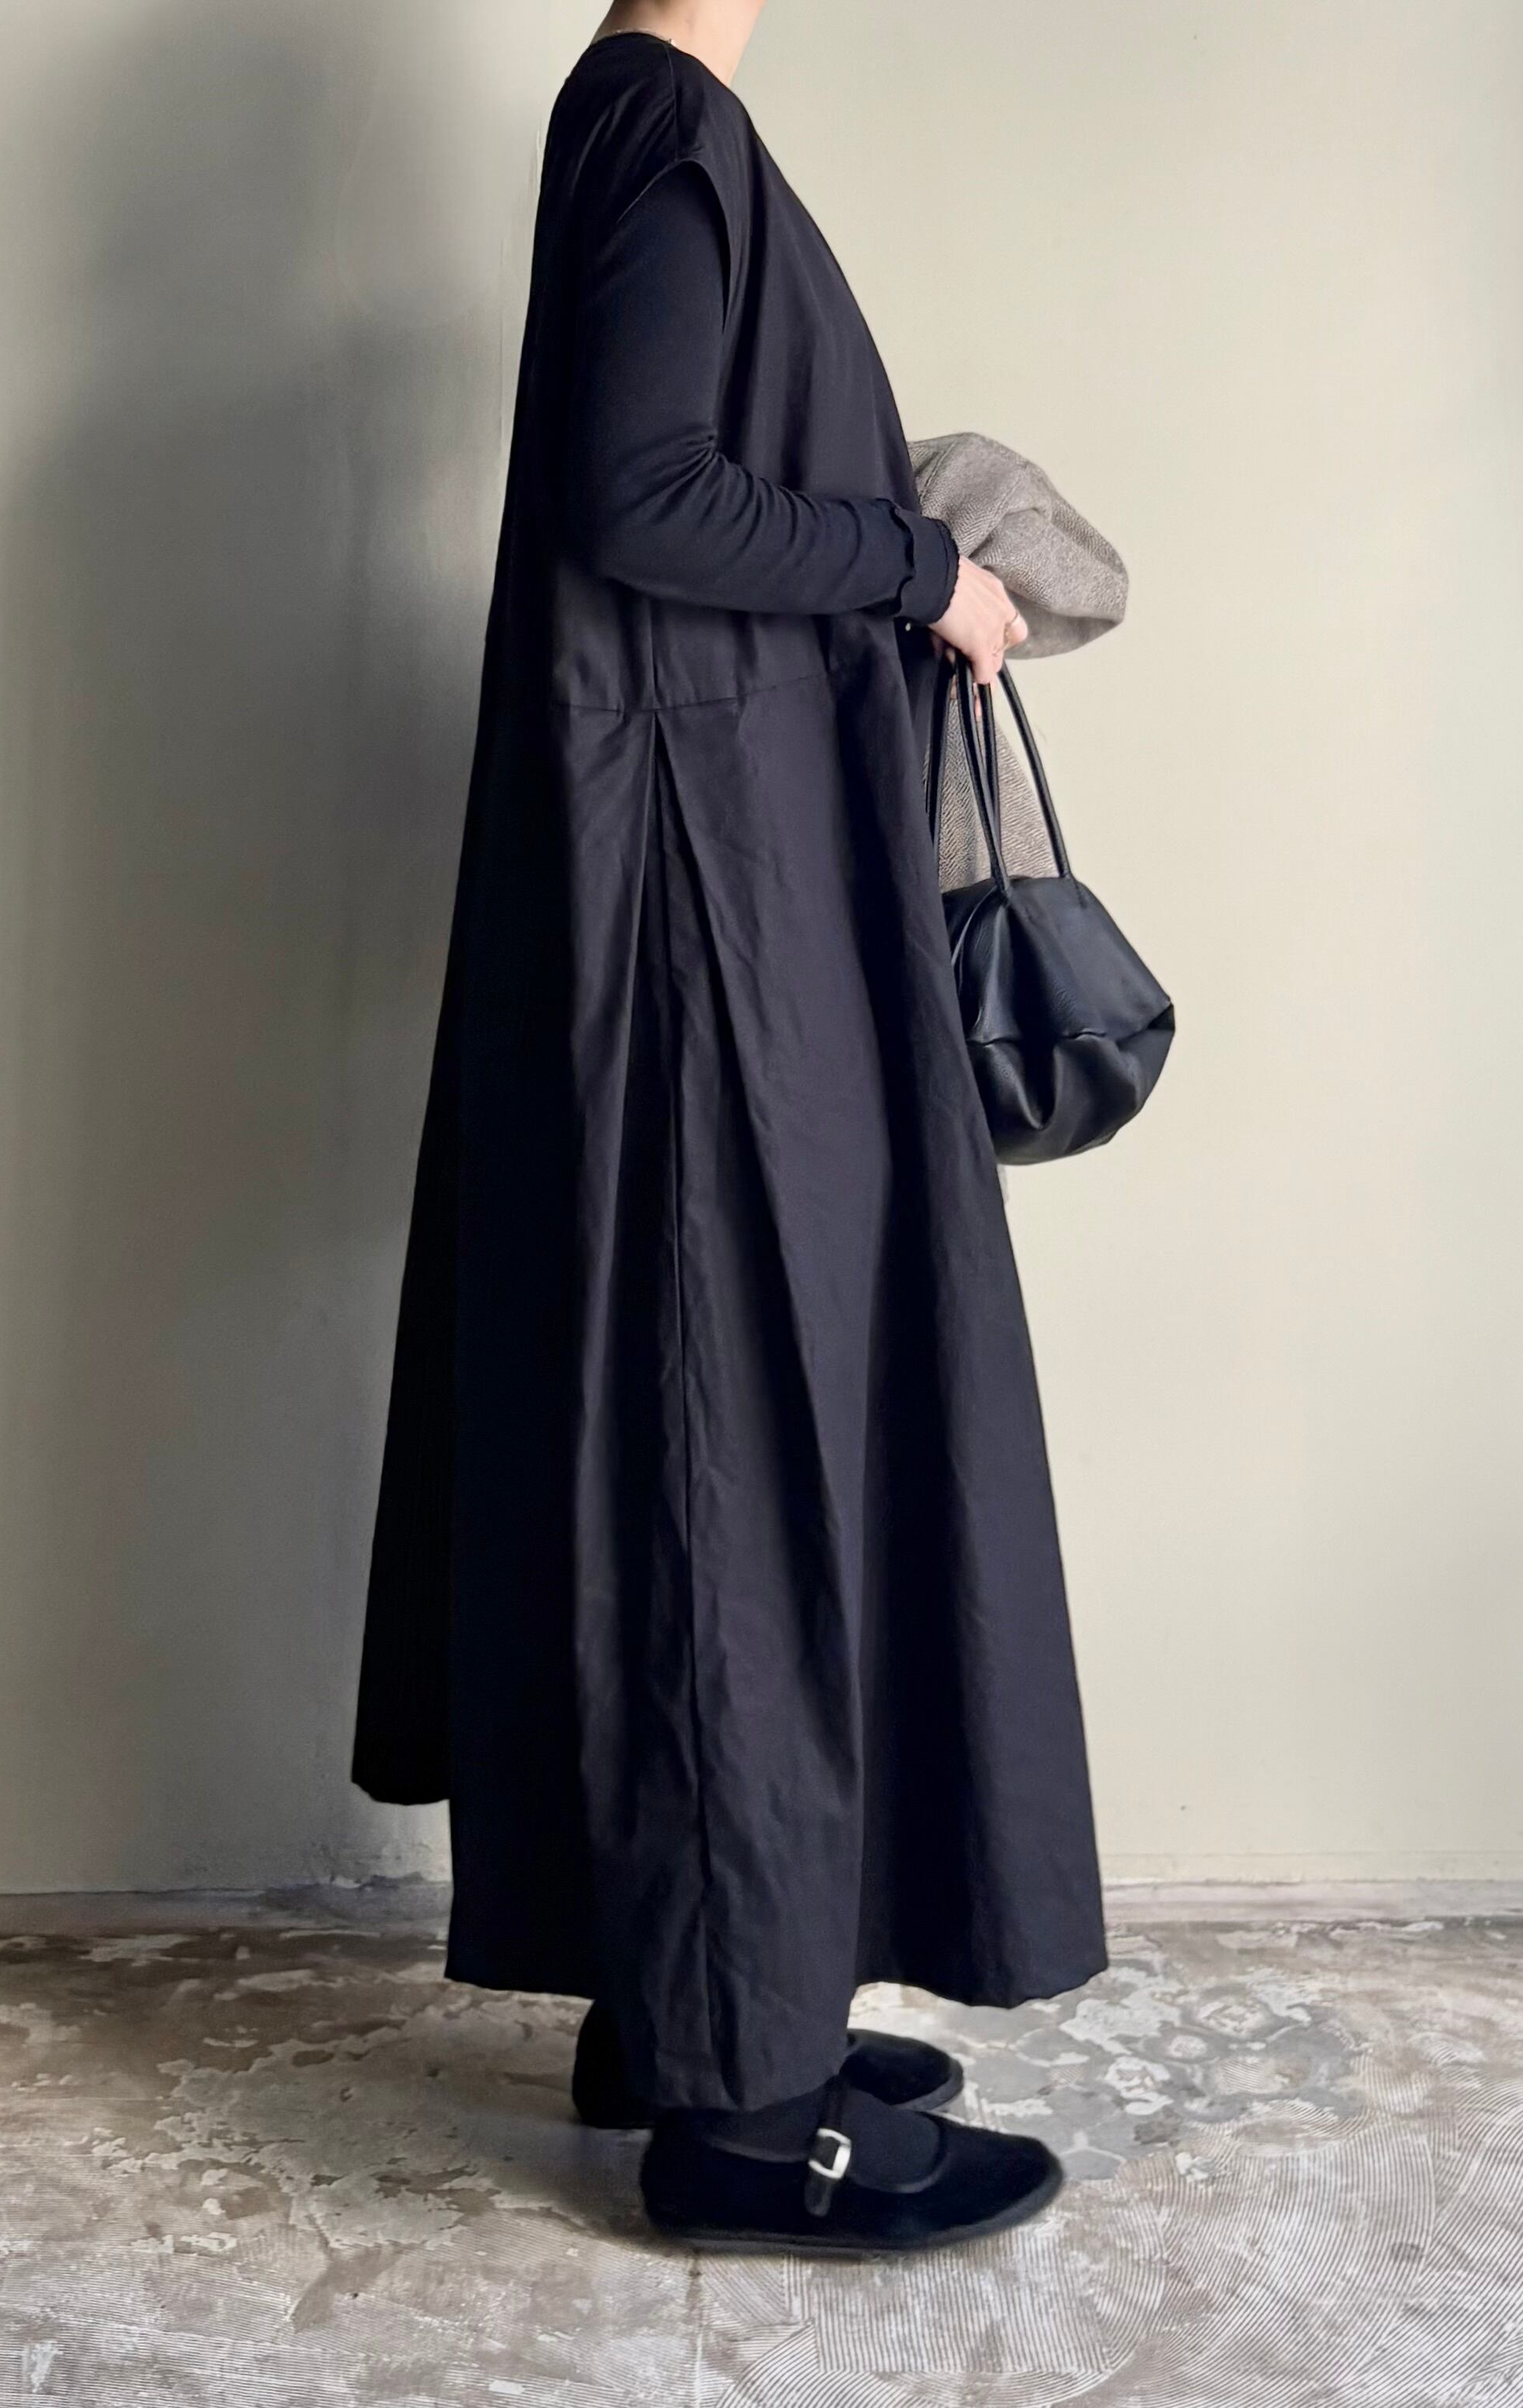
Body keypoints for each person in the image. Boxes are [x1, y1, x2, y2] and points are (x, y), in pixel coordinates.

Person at [351, 0, 1107, 2254]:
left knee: (700, 1443)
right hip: (702, 916)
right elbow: (648, 490)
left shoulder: (648, 128)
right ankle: (750, 2122)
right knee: (729, 1454)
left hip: (707, 883)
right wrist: (918, 567)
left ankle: (694, 2009)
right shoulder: (666, 127)